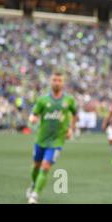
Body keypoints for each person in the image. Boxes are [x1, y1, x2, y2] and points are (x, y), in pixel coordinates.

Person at [26, 72, 77, 204]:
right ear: (50, 81)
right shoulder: (43, 100)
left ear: (63, 83)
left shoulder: (69, 100)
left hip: (56, 141)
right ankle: (33, 184)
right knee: (36, 166)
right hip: (41, 139)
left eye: (59, 80)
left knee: (45, 167)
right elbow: (34, 113)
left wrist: (71, 128)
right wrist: (33, 118)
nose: (57, 83)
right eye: (54, 80)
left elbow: (75, 114)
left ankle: (35, 195)